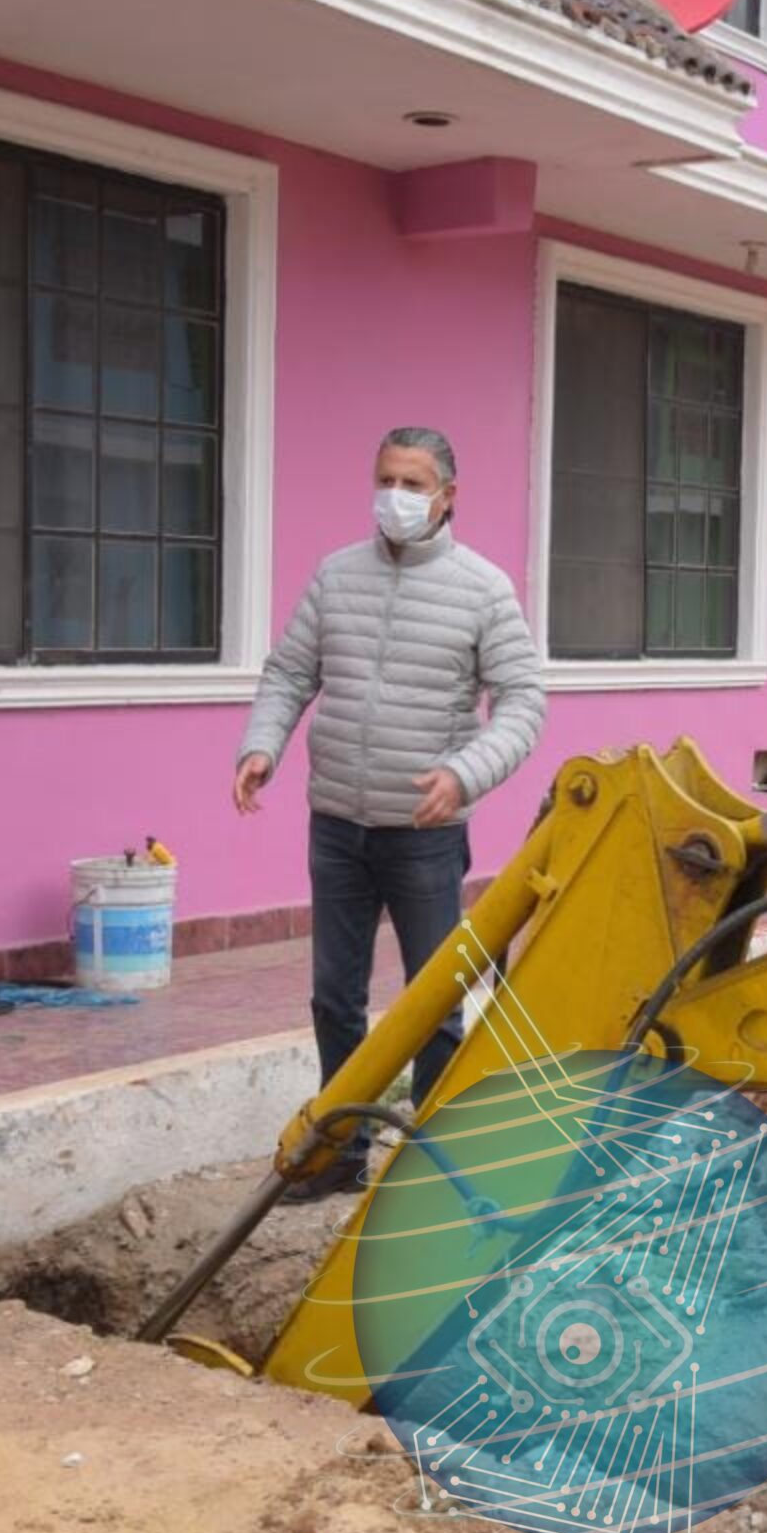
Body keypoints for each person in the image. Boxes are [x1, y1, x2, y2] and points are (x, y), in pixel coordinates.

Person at [234, 427, 546, 1201]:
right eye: (385, 479)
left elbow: (524, 704)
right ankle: (340, 1157)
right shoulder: (337, 575)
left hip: (424, 835)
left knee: (433, 1001)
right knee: (334, 997)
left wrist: (463, 775)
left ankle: (426, 1171)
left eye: (413, 483)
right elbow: (287, 673)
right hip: (337, 821)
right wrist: (261, 745)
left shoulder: (484, 588)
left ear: (447, 495)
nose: (396, 497)